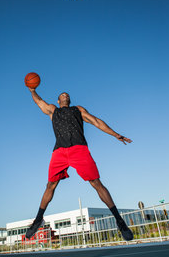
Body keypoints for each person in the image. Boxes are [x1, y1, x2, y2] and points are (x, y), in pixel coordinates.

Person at [25, 89, 133, 241]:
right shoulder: (52, 110)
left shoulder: (78, 110)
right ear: (58, 101)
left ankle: (119, 220)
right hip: (60, 151)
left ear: (69, 100)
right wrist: (32, 90)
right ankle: (37, 220)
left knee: (96, 183)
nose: (65, 95)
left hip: (79, 149)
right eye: (62, 95)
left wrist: (115, 134)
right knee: (50, 185)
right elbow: (38, 101)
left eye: (67, 95)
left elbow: (96, 121)